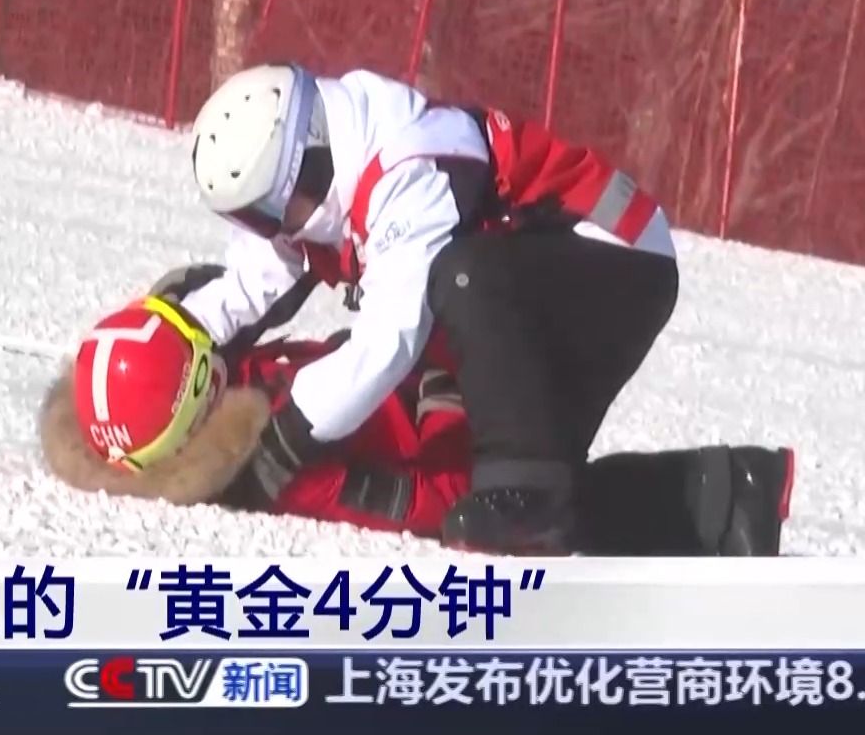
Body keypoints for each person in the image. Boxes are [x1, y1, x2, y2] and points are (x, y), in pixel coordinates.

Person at [139, 63, 791, 555]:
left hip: (616, 263)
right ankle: (731, 499)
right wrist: (180, 334)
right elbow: (259, 277)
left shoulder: (407, 167)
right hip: (531, 286)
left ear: (307, 167)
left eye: (268, 212)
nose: (268, 229)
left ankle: (526, 493)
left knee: (460, 283)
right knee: (471, 483)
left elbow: (388, 338)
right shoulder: (326, 170)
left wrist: (282, 439)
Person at [39, 266, 796, 556]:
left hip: (425, 348)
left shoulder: (218, 400)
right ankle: (729, 501)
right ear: (189, 421)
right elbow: (433, 500)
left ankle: (733, 493)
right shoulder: (282, 469)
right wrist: (440, 380)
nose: (214, 349)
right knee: (548, 500)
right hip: (467, 401)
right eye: (200, 360)